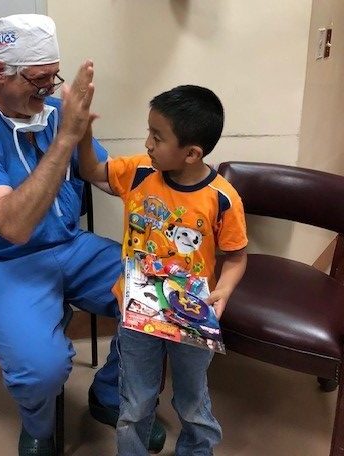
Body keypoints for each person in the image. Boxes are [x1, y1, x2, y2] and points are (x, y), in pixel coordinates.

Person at [0, 14, 165, 456]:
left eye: (53, 77)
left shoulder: (57, 114)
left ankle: (111, 395)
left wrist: (190, 184)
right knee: (42, 368)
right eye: (37, 79)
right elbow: (13, 226)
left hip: (68, 245)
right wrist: (66, 140)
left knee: (159, 297)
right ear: (0, 72)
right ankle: (39, 428)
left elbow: (103, 176)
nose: (48, 89)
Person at [78, 85, 248, 455]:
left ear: (191, 154)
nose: (148, 143)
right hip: (137, 311)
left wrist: (226, 290)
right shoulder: (139, 171)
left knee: (192, 401)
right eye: (148, 132)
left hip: (190, 313)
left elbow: (236, 255)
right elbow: (90, 169)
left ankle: (197, 449)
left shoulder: (221, 198)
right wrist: (83, 130)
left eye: (158, 137)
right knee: (135, 402)